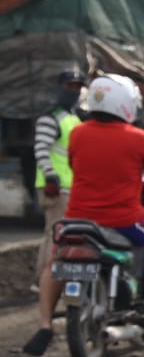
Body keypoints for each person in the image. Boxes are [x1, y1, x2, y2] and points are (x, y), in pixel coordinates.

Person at [23, 74, 144, 357]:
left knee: (55, 262)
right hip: (124, 220)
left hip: (76, 218)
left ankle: (44, 325)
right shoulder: (138, 137)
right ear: (126, 104)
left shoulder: (78, 132)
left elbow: (74, 163)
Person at [31, 68, 86, 290]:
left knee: (61, 234)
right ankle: (43, 279)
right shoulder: (50, 118)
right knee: (54, 233)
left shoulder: (74, 118)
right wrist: (50, 176)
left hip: (70, 186)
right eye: (69, 86)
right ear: (59, 88)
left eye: (77, 87)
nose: (73, 91)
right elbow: (41, 149)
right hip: (55, 187)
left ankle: (51, 279)